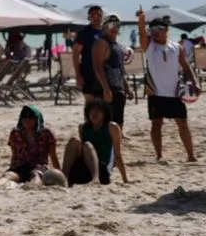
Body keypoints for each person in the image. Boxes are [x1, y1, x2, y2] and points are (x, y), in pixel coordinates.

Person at [138, 10, 197, 163]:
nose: (155, 33)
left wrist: (195, 82)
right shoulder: (149, 46)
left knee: (182, 123)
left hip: (175, 92)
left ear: (166, 30)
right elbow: (141, 34)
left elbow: (186, 66)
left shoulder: (177, 47)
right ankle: (159, 155)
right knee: (156, 124)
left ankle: (191, 155)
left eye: (158, 29)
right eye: (152, 30)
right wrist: (142, 20)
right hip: (155, 92)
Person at [65, 97, 128, 185]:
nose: (94, 114)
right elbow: (80, 153)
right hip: (85, 168)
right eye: (92, 111)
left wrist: (125, 179)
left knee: (87, 145)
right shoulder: (83, 127)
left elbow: (118, 155)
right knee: (74, 140)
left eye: (98, 111)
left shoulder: (111, 127)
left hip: (102, 169)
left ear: (104, 113)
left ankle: (95, 179)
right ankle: (64, 176)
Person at [2, 105, 62, 186]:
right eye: (24, 116)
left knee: (36, 175)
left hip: (38, 166)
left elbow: (53, 156)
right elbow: (14, 155)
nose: (27, 119)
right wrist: (11, 168)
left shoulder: (46, 133)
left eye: (31, 117)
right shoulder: (16, 133)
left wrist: (59, 175)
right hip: (20, 166)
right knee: (7, 176)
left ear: (37, 118)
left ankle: (32, 187)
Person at [72, 5, 110, 102]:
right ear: (89, 17)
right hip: (88, 73)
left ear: (102, 16)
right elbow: (75, 54)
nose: (96, 17)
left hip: (104, 74)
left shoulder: (106, 33)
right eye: (93, 15)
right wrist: (78, 74)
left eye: (99, 15)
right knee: (90, 104)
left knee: (104, 104)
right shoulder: (84, 33)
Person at [99, 15, 131, 127]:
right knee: (107, 123)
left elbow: (120, 68)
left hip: (119, 88)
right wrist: (106, 88)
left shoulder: (117, 45)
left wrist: (126, 86)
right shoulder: (102, 43)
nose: (114, 28)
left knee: (119, 122)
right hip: (108, 88)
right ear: (104, 27)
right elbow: (97, 67)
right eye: (111, 25)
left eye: (117, 25)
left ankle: (116, 144)